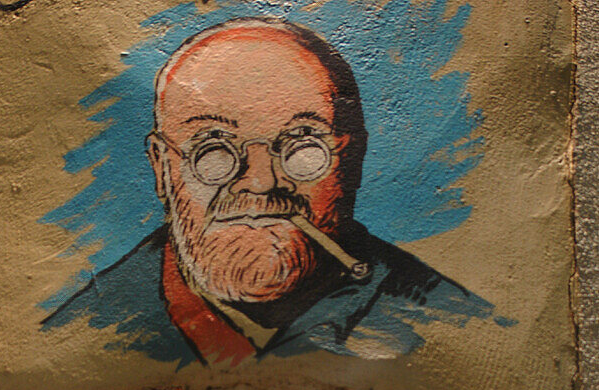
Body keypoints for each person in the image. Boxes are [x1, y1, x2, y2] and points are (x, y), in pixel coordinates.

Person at [43, 19, 497, 367]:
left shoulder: (443, 319)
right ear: (163, 168)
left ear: (350, 158)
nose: (260, 181)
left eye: (303, 147)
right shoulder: (87, 331)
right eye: (213, 151)